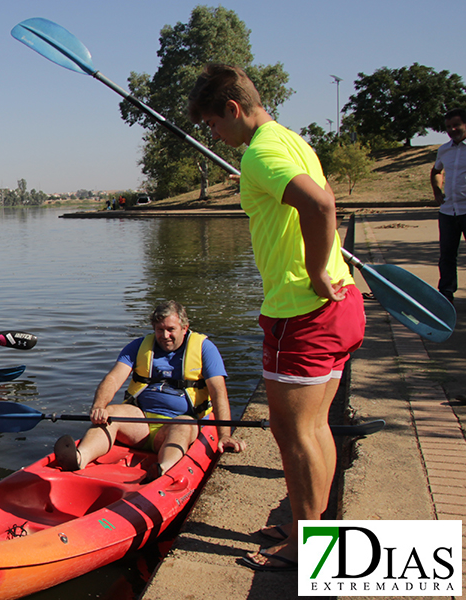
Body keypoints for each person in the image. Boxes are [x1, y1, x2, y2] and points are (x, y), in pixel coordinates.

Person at [188, 64, 365, 571]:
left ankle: (308, 552)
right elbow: (308, 205)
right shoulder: (287, 139)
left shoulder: (262, 152)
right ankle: (312, 528)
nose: (214, 136)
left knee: (294, 435)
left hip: (301, 312)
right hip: (338, 307)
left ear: (233, 109)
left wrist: (312, 270)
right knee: (315, 429)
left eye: (214, 125)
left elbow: (320, 203)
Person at [53, 301, 244, 481]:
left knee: (183, 425)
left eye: (171, 330)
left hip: (179, 422)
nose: (165, 335)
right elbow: (113, 378)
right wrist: (99, 406)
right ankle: (79, 458)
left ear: (184, 329)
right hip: (140, 421)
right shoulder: (139, 346)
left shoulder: (205, 349)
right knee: (111, 412)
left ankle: (164, 468)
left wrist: (224, 434)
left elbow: (218, 392)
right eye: (160, 330)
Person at [431, 107, 466, 304]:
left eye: (456, 125)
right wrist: (437, 190)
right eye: (448, 127)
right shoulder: (444, 150)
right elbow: (436, 170)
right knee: (447, 257)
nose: (452, 130)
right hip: (448, 211)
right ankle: (445, 296)